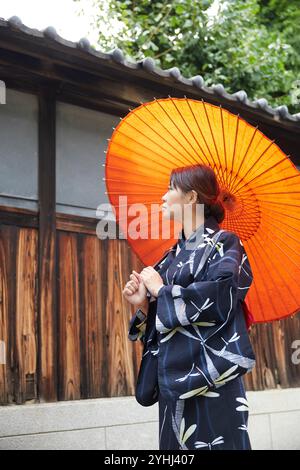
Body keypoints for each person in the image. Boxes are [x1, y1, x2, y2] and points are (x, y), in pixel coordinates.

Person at [123, 164, 256, 450]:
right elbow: (164, 322)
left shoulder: (225, 242)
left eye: (171, 188)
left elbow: (220, 296)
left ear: (191, 197)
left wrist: (162, 290)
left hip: (212, 377)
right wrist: (145, 306)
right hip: (176, 380)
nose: (163, 196)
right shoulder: (172, 254)